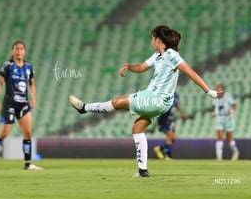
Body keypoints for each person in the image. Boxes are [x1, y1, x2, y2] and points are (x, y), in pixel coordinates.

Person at [69, 25, 221, 177]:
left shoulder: (171, 55)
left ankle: (84, 108)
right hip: (159, 102)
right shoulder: (158, 55)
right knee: (137, 129)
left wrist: (209, 92)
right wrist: (129, 66)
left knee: (116, 102)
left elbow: (191, 72)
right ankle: (143, 170)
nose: (151, 41)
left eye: (152, 38)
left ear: (159, 40)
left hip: (156, 99)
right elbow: (142, 67)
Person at [0, 41, 42, 170]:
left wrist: (33, 97)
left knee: (28, 133)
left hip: (23, 104)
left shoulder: (28, 67)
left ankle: (27, 164)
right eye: (16, 48)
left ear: (24, 51)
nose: (19, 51)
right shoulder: (7, 65)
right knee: (4, 133)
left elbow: (31, 83)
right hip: (10, 104)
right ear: (12, 51)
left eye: (21, 49)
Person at [153, 92, 188, 160]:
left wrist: (182, 114)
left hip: (170, 119)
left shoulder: (176, 95)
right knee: (169, 136)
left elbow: (176, 105)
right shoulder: (165, 93)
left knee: (173, 138)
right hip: (164, 119)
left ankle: (159, 148)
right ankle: (168, 155)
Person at [212, 83, 239, 160]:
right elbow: (213, 107)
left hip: (228, 119)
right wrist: (213, 113)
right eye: (216, 88)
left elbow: (234, 105)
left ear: (222, 89)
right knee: (219, 137)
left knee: (229, 139)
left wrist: (231, 111)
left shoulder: (228, 96)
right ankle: (219, 158)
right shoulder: (214, 97)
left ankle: (235, 152)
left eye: (219, 88)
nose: (217, 89)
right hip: (219, 118)